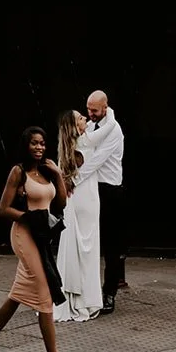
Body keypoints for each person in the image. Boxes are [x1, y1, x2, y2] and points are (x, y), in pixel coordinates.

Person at [0, 126, 82, 352]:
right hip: (23, 234)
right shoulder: (18, 172)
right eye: (34, 143)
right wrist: (30, 218)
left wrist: (56, 174)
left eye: (42, 143)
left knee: (16, 295)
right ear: (26, 145)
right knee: (44, 295)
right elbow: (3, 209)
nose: (39, 147)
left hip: (42, 236)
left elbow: (61, 203)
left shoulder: (47, 170)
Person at [54, 109, 102, 323]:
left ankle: (73, 293)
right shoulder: (86, 144)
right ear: (76, 127)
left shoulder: (70, 146)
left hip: (77, 200)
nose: (85, 119)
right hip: (87, 200)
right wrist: (106, 110)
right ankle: (85, 299)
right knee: (88, 249)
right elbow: (108, 128)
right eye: (81, 118)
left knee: (77, 247)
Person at [83, 89, 125, 313]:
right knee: (89, 241)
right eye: (88, 109)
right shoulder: (91, 125)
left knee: (111, 245)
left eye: (95, 110)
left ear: (105, 107)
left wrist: (73, 179)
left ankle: (109, 293)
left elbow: (96, 161)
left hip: (109, 190)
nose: (90, 113)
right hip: (92, 188)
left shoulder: (114, 129)